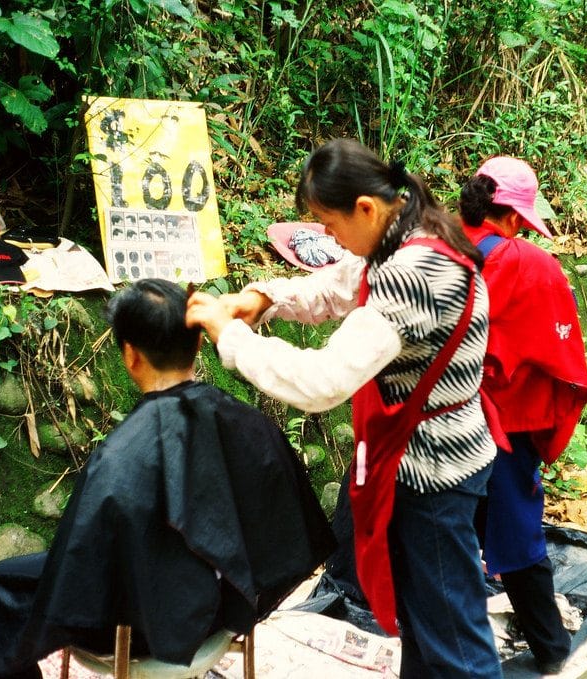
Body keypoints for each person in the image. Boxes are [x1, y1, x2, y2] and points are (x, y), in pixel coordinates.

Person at [186, 138, 504, 679]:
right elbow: (341, 284)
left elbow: (322, 381)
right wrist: (261, 299)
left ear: (365, 208)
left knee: (455, 644)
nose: (327, 237)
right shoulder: (414, 232)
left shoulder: (412, 274)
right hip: (436, 461)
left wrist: (229, 338)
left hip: (433, 478)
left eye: (327, 224)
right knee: (426, 633)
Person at [0, 278, 334, 678]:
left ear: (130, 355)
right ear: (200, 344)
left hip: (145, 629)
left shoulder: (120, 460)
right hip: (229, 604)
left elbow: (81, 575)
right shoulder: (252, 424)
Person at [459, 157, 587, 675]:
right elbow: (564, 365)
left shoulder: (430, 249)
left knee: (453, 533)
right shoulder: (532, 264)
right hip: (506, 427)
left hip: (436, 425)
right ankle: (551, 648)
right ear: (514, 216)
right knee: (516, 534)